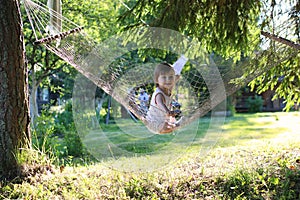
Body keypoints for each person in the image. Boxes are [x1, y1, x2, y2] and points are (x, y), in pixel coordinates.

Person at [146, 61, 184, 134]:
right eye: (164, 77)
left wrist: (176, 78)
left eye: (170, 77)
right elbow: (161, 104)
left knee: (169, 123)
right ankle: (176, 125)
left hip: (162, 119)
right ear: (157, 80)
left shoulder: (168, 88)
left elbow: (172, 81)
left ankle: (174, 125)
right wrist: (169, 112)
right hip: (153, 122)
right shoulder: (159, 94)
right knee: (166, 127)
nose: (168, 80)